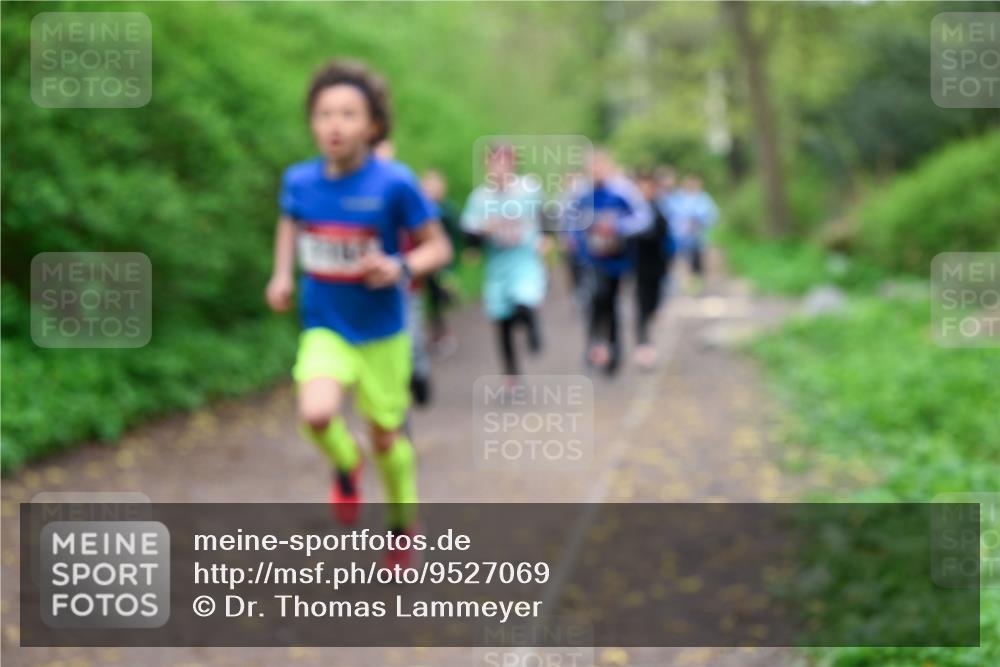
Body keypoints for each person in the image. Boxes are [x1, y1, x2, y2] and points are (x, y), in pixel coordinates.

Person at [265, 60, 452, 567]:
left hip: (383, 333)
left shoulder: (395, 183)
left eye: (349, 113)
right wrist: (282, 274)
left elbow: (440, 248)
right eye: (324, 113)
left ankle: (401, 523)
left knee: (386, 438)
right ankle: (347, 467)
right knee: (316, 413)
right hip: (325, 326)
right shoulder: (300, 180)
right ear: (312, 122)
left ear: (373, 125)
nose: (335, 123)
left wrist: (400, 265)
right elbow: (290, 223)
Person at [461, 143, 546, 378]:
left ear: (512, 164)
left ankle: (532, 329)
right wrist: (477, 242)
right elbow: (469, 230)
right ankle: (511, 375)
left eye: (504, 162)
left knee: (524, 301)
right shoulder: (479, 198)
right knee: (502, 321)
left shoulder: (528, 189)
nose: (499, 167)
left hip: (524, 260)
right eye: (494, 162)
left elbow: (545, 215)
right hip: (497, 265)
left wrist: (546, 239)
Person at [568, 150, 651, 376]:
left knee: (611, 303)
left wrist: (617, 226)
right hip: (591, 258)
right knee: (595, 298)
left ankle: (614, 352)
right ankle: (595, 346)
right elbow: (570, 220)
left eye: (601, 166)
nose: (597, 171)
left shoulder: (623, 191)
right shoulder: (581, 193)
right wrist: (576, 239)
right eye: (593, 167)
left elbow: (643, 219)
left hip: (617, 259)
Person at [631, 170, 675, 370]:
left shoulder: (659, 209)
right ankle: (643, 344)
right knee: (641, 304)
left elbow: (665, 235)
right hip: (639, 266)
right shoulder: (633, 210)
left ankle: (647, 336)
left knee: (653, 304)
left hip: (658, 265)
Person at [420, 169, 461, 360]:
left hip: (442, 264)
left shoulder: (447, 210)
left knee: (440, 299)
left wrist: (452, 261)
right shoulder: (420, 210)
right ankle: (435, 333)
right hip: (424, 265)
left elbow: (455, 236)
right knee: (431, 300)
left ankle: (443, 333)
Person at [668, 174, 718, 291]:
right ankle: (681, 283)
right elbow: (670, 215)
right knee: (680, 260)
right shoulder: (678, 197)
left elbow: (712, 215)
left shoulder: (704, 198)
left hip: (697, 236)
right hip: (680, 237)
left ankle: (695, 284)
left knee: (696, 261)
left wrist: (701, 221)